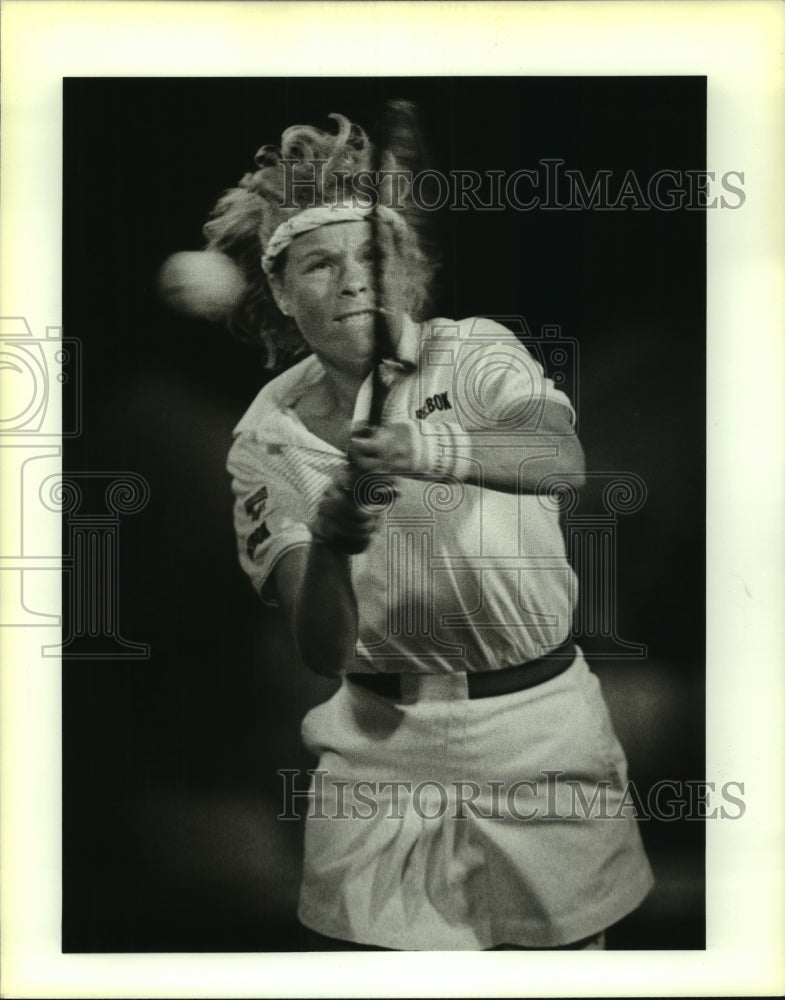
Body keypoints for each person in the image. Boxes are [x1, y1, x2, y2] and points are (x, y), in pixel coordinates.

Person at [177, 110, 654, 950]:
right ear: (282, 293)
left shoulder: (473, 353)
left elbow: (557, 459)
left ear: (410, 275)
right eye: (321, 263)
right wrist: (328, 540)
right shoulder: (265, 437)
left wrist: (418, 445)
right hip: (376, 754)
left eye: (373, 257)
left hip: (541, 730)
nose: (354, 279)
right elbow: (320, 647)